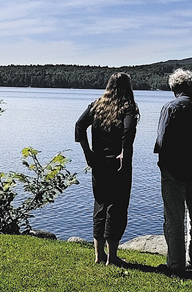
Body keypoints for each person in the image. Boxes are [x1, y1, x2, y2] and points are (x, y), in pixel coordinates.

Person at [154, 68, 192, 275]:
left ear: (173, 88)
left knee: (174, 218)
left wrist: (163, 164)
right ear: (191, 87)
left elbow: (161, 142)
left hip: (174, 172)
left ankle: (176, 265)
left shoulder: (170, 108)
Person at [75, 72, 139, 265]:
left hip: (99, 163)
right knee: (117, 207)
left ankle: (99, 256)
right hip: (119, 165)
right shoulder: (128, 107)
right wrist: (124, 152)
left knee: (100, 205)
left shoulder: (97, 105)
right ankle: (112, 257)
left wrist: (88, 153)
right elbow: (128, 129)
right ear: (127, 88)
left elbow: (79, 126)